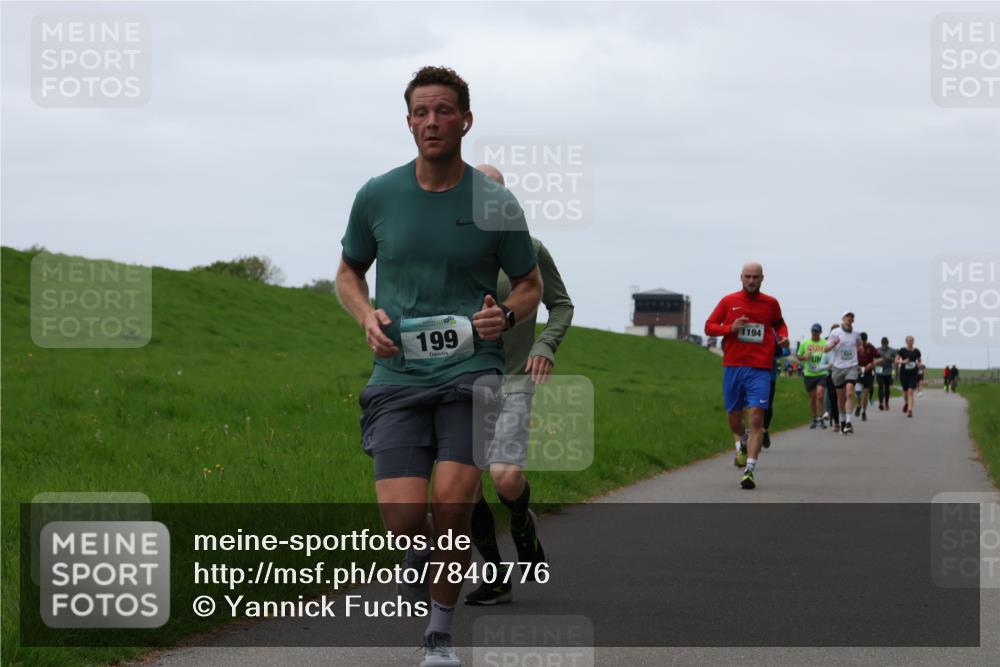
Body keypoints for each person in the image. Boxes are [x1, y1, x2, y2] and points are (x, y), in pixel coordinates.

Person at [336, 66, 542, 667]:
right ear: (408, 123)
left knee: (453, 508)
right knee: (403, 521)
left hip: (470, 371)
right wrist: (366, 317)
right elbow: (348, 271)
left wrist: (502, 314)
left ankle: (440, 636)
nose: (432, 121)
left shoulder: (496, 203)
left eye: (444, 111)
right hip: (398, 374)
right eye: (421, 112)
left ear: (465, 121)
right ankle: (427, 560)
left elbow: (530, 285)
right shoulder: (378, 194)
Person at [465, 165, 575, 607]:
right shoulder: (450, 253)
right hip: (460, 381)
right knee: (466, 485)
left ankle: (523, 526)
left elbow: (561, 305)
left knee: (504, 476)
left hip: (512, 379)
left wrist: (546, 345)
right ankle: (494, 575)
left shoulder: (529, 249)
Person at [704, 262, 789, 490]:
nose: (752, 281)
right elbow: (709, 327)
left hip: (760, 369)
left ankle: (749, 471)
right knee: (734, 420)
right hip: (733, 366)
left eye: (756, 277)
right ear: (741, 278)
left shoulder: (771, 303)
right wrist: (730, 328)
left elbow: (780, 325)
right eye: (748, 276)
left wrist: (783, 337)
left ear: (763, 279)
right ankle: (742, 441)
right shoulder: (728, 301)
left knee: (756, 419)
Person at [824, 312, 861, 435]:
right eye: (848, 316)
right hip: (838, 368)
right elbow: (825, 349)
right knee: (840, 398)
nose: (850, 318)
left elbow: (860, 346)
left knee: (850, 392)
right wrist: (834, 343)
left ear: (853, 320)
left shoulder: (856, 334)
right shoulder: (835, 333)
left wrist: (860, 349)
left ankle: (849, 422)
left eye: (852, 317)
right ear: (843, 319)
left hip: (852, 366)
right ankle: (843, 421)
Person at [797, 323, 829, 429]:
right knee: (813, 398)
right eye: (813, 331)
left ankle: (821, 418)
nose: (814, 333)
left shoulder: (825, 343)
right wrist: (805, 356)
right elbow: (799, 356)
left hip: (821, 373)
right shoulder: (805, 343)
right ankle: (814, 418)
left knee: (820, 395)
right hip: (809, 374)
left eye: (816, 331)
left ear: (820, 332)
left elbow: (829, 355)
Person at [895, 336, 924, 418]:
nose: (910, 342)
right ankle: (906, 403)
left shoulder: (917, 351)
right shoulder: (902, 350)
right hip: (904, 374)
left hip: (913, 373)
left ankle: (910, 410)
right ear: (906, 342)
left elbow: (919, 361)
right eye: (909, 341)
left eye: (912, 340)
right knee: (905, 393)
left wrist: (920, 364)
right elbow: (896, 361)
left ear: (913, 341)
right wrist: (903, 361)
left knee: (910, 391)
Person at [855, 332, 881, 421]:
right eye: (860, 342)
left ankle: (863, 412)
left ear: (865, 340)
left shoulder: (871, 347)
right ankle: (858, 405)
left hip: (868, 373)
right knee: (858, 392)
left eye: (863, 341)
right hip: (858, 371)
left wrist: (872, 364)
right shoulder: (855, 348)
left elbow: (879, 357)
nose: (861, 343)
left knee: (865, 394)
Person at [875, 336, 895, 410]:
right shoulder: (877, 350)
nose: (884, 344)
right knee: (880, 387)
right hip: (879, 370)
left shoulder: (892, 351)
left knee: (887, 388)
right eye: (883, 343)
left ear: (888, 343)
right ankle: (880, 403)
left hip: (888, 371)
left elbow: (895, 361)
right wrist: (879, 360)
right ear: (881, 343)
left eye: (886, 343)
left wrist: (890, 358)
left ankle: (886, 402)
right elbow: (874, 359)